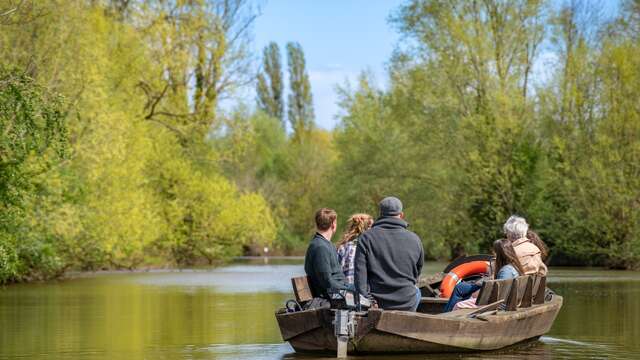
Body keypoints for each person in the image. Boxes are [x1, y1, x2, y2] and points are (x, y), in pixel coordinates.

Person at [354, 197, 424, 311]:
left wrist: (369, 301)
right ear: (401, 215)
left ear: (380, 214)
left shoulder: (366, 238)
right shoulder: (415, 239)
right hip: (408, 302)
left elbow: (359, 277)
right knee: (417, 291)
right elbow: (417, 272)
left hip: (378, 303)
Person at [444, 239, 525, 312]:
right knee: (462, 290)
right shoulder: (514, 266)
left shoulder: (505, 271)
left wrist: (479, 294)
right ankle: (447, 314)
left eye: (495, 252)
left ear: (499, 254)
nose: (493, 254)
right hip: (505, 302)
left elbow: (499, 294)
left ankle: (446, 317)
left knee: (459, 304)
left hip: (499, 305)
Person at [304, 208, 348, 300]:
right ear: (333, 224)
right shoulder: (320, 247)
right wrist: (348, 289)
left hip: (336, 294)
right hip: (329, 298)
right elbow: (326, 281)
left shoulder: (327, 244)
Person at [336, 214, 373, 284]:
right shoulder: (370, 248)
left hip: (345, 291)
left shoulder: (343, 247)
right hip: (364, 291)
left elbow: (336, 273)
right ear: (368, 229)